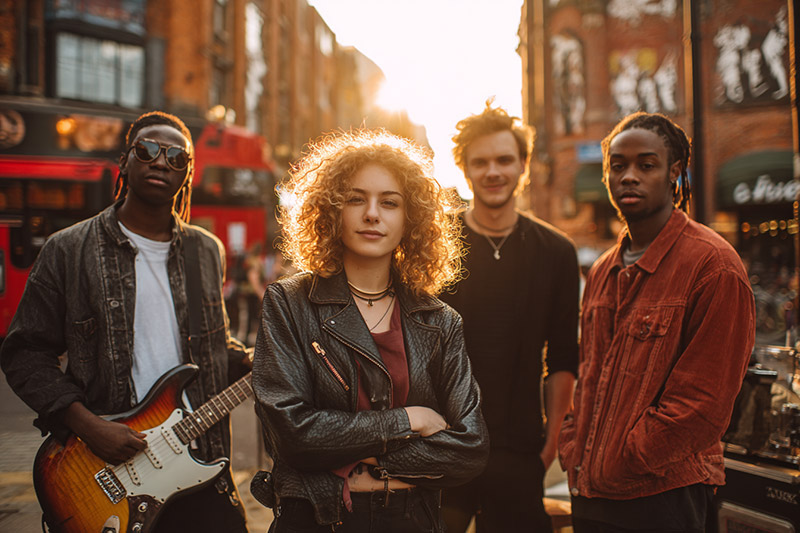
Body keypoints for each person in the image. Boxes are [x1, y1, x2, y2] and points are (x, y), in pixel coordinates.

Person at [0, 111, 251, 532]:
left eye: (176, 157)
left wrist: (258, 361)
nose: (160, 162)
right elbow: (24, 352)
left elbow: (211, 346)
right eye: (148, 150)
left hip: (200, 460)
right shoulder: (69, 249)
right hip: (107, 470)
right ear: (125, 160)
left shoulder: (206, 251)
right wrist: (87, 426)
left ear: (187, 173)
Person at [251, 129, 489, 532]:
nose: (372, 214)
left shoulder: (440, 320)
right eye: (356, 199)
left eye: (389, 203)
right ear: (330, 210)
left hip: (412, 520)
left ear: (409, 218)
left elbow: (469, 448)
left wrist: (365, 462)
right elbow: (293, 435)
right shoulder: (289, 303)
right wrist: (410, 420)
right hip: (317, 519)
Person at [558, 112, 756, 532]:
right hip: (590, 491)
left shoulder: (713, 265)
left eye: (646, 165)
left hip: (662, 496)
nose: (629, 176)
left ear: (674, 173)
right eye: (618, 165)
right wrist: (575, 446)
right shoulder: (602, 269)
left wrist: (626, 457)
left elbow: (704, 404)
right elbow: (589, 375)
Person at [440, 102, 580, 532]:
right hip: (441, 443)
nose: (493, 171)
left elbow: (562, 357)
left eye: (504, 159)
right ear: (464, 170)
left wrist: (550, 446)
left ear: (523, 164)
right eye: (479, 162)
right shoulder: (436, 245)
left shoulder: (556, 251)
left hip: (521, 449)